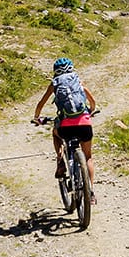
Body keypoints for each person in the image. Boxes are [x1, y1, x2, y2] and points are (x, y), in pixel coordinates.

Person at [34, 57, 97, 202]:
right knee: (88, 157)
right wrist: (91, 111)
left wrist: (37, 118)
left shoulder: (55, 83)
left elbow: (41, 103)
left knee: (55, 134)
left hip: (65, 127)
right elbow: (92, 102)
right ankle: (91, 193)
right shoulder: (77, 80)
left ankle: (60, 160)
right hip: (85, 125)